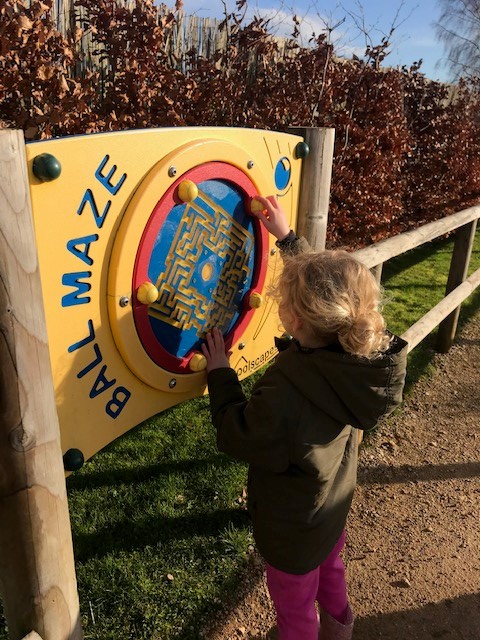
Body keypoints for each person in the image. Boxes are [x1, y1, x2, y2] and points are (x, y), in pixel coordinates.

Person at [201, 195, 408, 640]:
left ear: (294, 322)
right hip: (331, 511)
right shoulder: (359, 358)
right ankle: (341, 630)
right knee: (331, 574)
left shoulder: (289, 392)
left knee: (295, 614)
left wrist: (220, 375)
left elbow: (239, 433)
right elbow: (328, 287)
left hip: (293, 532)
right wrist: (288, 239)